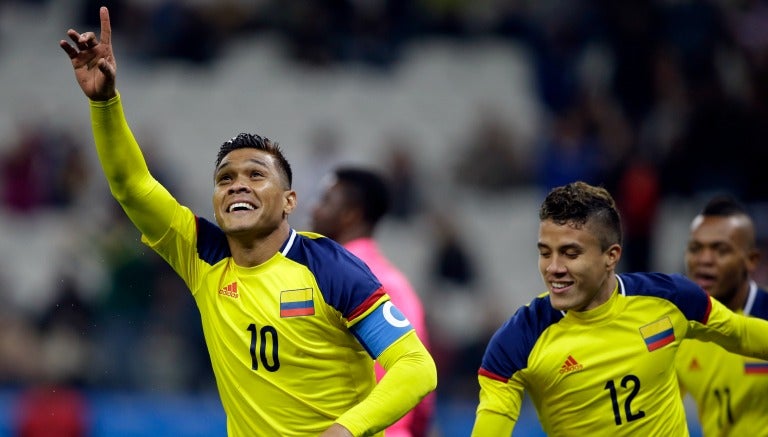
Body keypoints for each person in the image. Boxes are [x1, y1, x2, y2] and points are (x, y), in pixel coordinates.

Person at [59, 7, 436, 437]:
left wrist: (348, 429)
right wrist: (105, 103)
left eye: (256, 175)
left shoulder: (330, 268)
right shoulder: (201, 253)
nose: (238, 185)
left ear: (290, 200)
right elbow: (131, 185)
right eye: (225, 178)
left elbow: (416, 367)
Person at [471, 181, 768, 436]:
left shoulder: (670, 299)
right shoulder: (517, 343)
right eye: (545, 253)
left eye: (570, 254)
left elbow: (739, 332)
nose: (554, 268)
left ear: (611, 256)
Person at [310, 167, 435, 437]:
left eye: (325, 201)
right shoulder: (396, 282)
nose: (314, 210)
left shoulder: (344, 280)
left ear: (350, 214)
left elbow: (411, 368)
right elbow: (422, 397)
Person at [676, 195, 768, 436]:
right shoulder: (681, 331)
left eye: (720, 249)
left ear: (751, 260)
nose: (704, 260)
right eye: (696, 248)